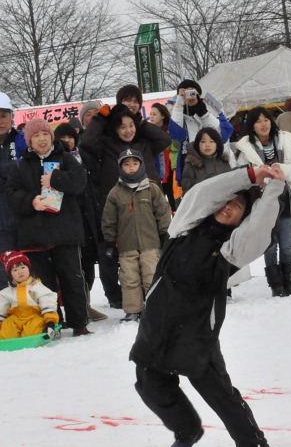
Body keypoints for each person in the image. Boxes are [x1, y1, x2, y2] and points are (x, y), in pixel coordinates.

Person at [130, 164, 286, 447]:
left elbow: (258, 231)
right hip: (157, 326)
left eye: (239, 207)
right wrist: (250, 175)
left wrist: (272, 190)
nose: (230, 207)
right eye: (228, 202)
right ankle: (186, 429)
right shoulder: (184, 226)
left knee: (222, 397)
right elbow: (203, 193)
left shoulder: (231, 249)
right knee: (149, 384)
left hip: (197, 334)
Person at [79, 102, 170, 309]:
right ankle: (118, 297)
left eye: (131, 125)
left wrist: (136, 118)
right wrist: (101, 118)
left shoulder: (144, 142)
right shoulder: (106, 145)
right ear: (114, 128)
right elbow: (86, 144)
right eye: (122, 126)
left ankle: (155, 300)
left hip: (146, 204)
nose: (128, 130)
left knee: (150, 256)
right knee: (118, 256)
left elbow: (164, 138)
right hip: (117, 205)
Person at [7, 119, 90, 336]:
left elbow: (80, 182)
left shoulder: (66, 158)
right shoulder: (21, 165)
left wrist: (56, 179)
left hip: (66, 233)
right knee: (44, 284)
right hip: (35, 236)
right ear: (29, 141)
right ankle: (54, 322)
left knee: (72, 279)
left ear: (51, 137)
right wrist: (31, 201)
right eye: (36, 136)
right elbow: (12, 194)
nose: (41, 139)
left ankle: (79, 322)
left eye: (45, 134)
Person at [236, 106, 291, 296]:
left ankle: (287, 282)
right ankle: (275, 285)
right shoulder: (245, 149)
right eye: (258, 121)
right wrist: (264, 176)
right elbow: (243, 178)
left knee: (285, 244)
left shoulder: (284, 140)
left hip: (286, 201)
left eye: (265, 119)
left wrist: (281, 169)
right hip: (263, 204)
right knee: (269, 245)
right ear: (252, 126)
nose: (263, 124)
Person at [101, 149, 171, 323]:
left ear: (141, 165)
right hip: (126, 246)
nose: (131, 168)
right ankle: (133, 310)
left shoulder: (152, 189)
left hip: (150, 244)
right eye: (126, 164)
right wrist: (110, 241)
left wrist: (165, 234)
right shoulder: (115, 193)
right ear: (120, 167)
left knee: (151, 277)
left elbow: (163, 213)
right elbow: (109, 219)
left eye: (134, 163)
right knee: (129, 279)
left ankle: (155, 308)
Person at [54, 123, 107, 321]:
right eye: (62, 137)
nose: (67, 140)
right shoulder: (55, 160)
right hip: (67, 220)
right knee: (73, 268)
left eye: (70, 137)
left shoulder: (84, 157)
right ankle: (77, 307)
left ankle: (85, 304)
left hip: (89, 218)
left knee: (88, 266)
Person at [168, 80, 233, 187]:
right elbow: (176, 134)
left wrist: (203, 113)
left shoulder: (210, 111)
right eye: (186, 93)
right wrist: (179, 102)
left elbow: (223, 134)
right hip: (191, 168)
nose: (190, 96)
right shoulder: (178, 113)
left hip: (215, 165)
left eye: (192, 92)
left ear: (198, 94)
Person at [0, 251, 60, 339]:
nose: (19, 272)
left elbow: (48, 302)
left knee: (32, 331)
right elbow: (1, 307)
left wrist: (50, 321)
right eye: (15, 270)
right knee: (6, 330)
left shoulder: (37, 286)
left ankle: (48, 331)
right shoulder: (7, 292)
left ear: (29, 269)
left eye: (22, 267)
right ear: (10, 275)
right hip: (15, 318)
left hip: (34, 317)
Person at [0, 93, 26, 289]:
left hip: (23, 214)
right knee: (3, 269)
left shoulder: (22, 140)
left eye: (3, 115)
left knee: (25, 266)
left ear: (11, 117)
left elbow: (27, 170)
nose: (0, 121)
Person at [181, 127, 233, 193]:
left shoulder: (223, 161)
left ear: (217, 144)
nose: (207, 145)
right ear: (197, 144)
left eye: (211, 141)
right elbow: (186, 186)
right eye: (203, 142)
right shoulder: (192, 163)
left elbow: (231, 183)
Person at [148, 102, 176, 210]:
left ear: (163, 116)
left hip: (171, 170)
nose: (151, 116)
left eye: (154, 114)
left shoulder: (171, 130)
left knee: (173, 200)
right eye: (150, 114)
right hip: (156, 172)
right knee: (158, 203)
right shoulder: (148, 132)